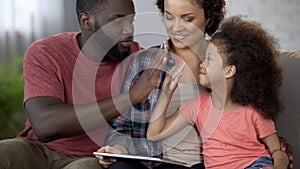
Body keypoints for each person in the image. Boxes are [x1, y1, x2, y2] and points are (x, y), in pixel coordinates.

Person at [0, 0, 164, 168]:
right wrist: (131, 97)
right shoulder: (46, 52)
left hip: (93, 157)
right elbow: (46, 125)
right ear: (87, 22)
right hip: (38, 149)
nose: (129, 30)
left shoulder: (140, 61)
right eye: (118, 21)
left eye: (131, 21)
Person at [146, 16, 289, 169]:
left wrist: (277, 167)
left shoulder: (253, 111)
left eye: (209, 59)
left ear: (228, 71)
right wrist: (166, 93)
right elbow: (154, 134)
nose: (202, 64)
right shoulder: (198, 105)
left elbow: (277, 151)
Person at [97, 0, 225, 168]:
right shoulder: (144, 61)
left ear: (208, 18)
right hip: (155, 162)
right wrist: (118, 149)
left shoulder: (225, 62)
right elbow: (122, 128)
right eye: (169, 17)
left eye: (187, 19)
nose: (176, 28)